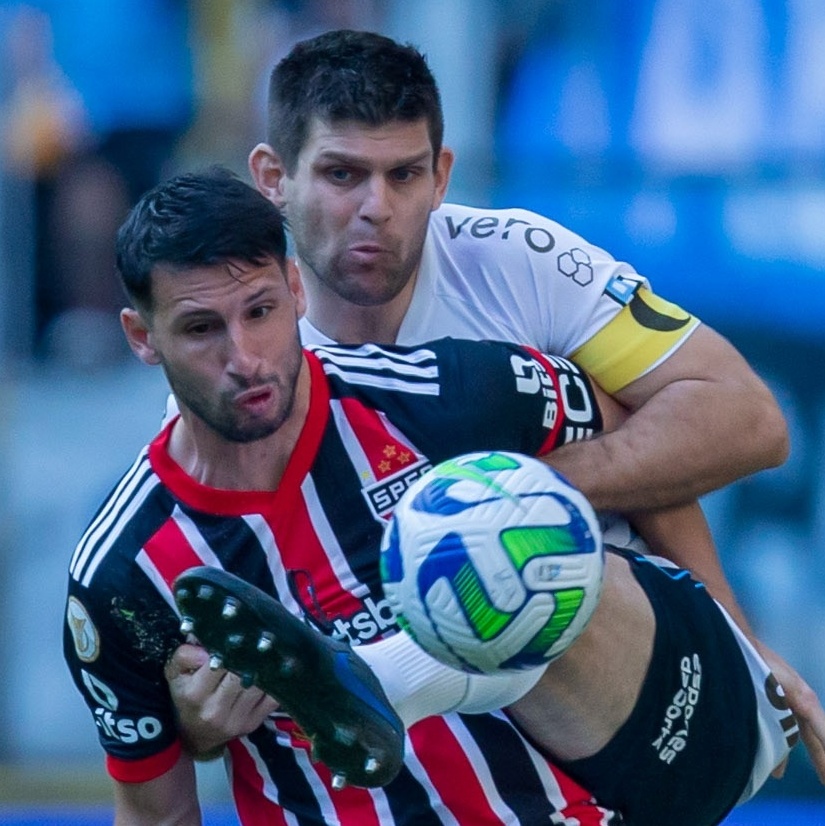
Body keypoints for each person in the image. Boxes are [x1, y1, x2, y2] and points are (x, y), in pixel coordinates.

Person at [167, 27, 825, 784]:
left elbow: (747, 419)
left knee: (480, 527)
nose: (376, 208)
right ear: (272, 176)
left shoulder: (515, 261)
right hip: (420, 777)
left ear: (443, 175)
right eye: (343, 175)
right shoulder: (240, 363)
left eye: (404, 175)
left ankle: (381, 679)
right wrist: (198, 716)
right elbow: (202, 647)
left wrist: (509, 495)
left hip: (628, 713)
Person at [64, 169, 798, 826]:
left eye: (258, 311)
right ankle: (376, 673)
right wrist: (199, 727)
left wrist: (746, 642)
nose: (242, 358)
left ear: (295, 289)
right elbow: (157, 814)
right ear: (141, 336)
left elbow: (653, 451)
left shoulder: (443, 396)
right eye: (200, 329)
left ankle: (378, 675)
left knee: (499, 518)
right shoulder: (120, 577)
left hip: (613, 762)